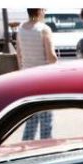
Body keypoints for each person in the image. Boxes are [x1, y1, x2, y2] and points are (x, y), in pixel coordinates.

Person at [15, 8, 58, 140]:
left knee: (30, 117)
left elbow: (19, 55)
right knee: (46, 120)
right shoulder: (44, 29)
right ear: (39, 11)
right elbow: (51, 57)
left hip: (27, 78)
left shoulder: (20, 29)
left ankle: (26, 146)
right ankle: (45, 149)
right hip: (44, 78)